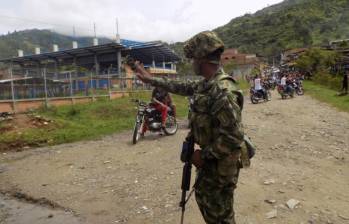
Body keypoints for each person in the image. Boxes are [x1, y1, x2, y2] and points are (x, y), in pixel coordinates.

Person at [129, 31, 247, 224]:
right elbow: (181, 86)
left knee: (219, 215)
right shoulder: (207, 85)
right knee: (212, 208)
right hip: (214, 163)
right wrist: (150, 79)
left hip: (220, 164)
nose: (191, 63)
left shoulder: (222, 90)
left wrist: (204, 155)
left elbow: (234, 136)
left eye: (193, 58)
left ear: (201, 59)